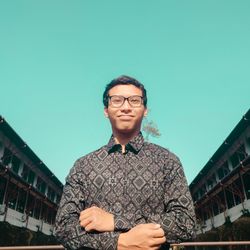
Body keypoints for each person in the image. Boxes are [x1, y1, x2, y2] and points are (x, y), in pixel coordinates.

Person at [54, 75, 196, 250]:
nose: (126, 107)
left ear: (145, 110)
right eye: (117, 100)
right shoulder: (82, 166)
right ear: (106, 110)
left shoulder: (167, 161)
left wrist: (115, 221)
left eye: (135, 100)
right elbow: (63, 228)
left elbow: (186, 223)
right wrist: (118, 243)